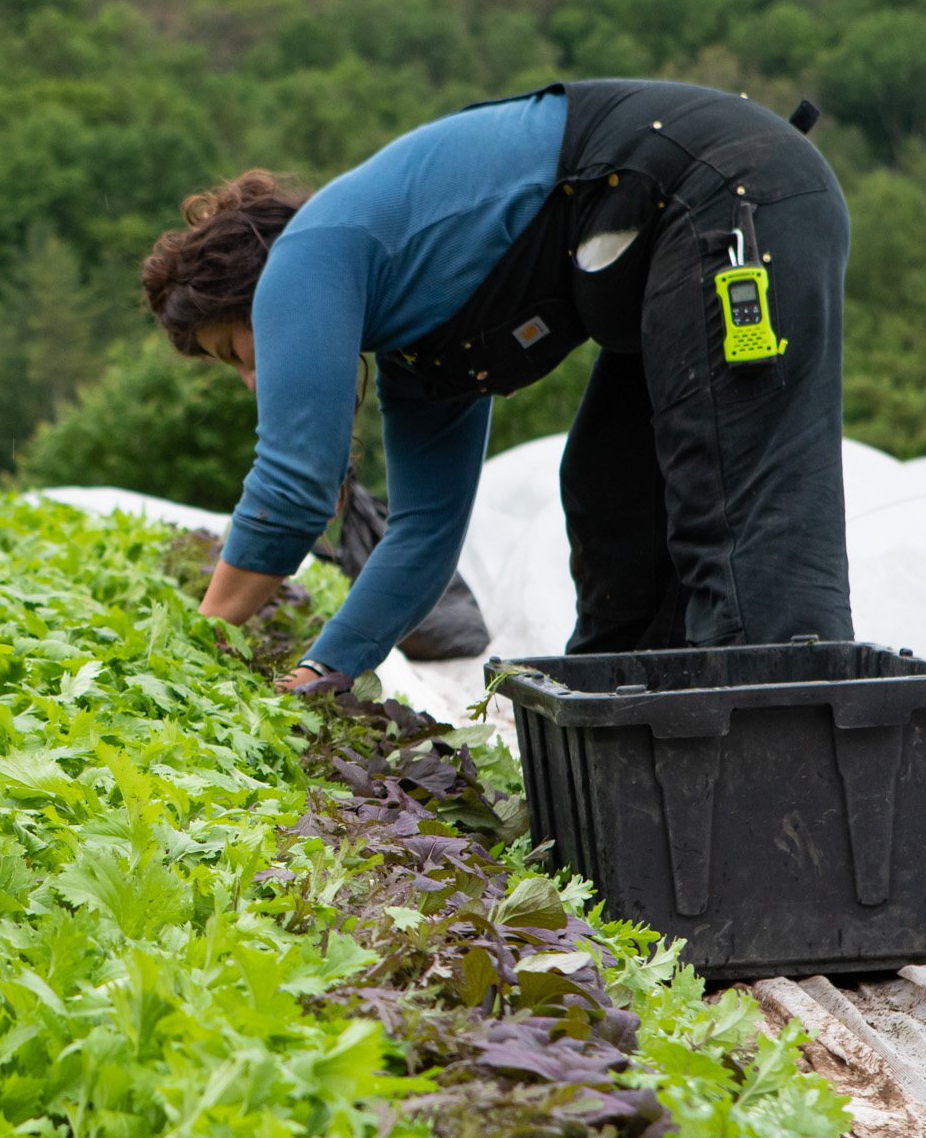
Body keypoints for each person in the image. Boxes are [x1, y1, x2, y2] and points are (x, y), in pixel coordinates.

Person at [141, 79, 852, 687]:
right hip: (686, 220)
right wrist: (323, 670)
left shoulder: (304, 258)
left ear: (254, 294)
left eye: (236, 348)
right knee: (614, 495)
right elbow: (421, 539)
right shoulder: (420, 345)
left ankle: (783, 765)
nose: (249, 379)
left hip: (726, 197)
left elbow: (295, 488)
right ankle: (649, 759)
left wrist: (198, 640)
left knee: (729, 498)